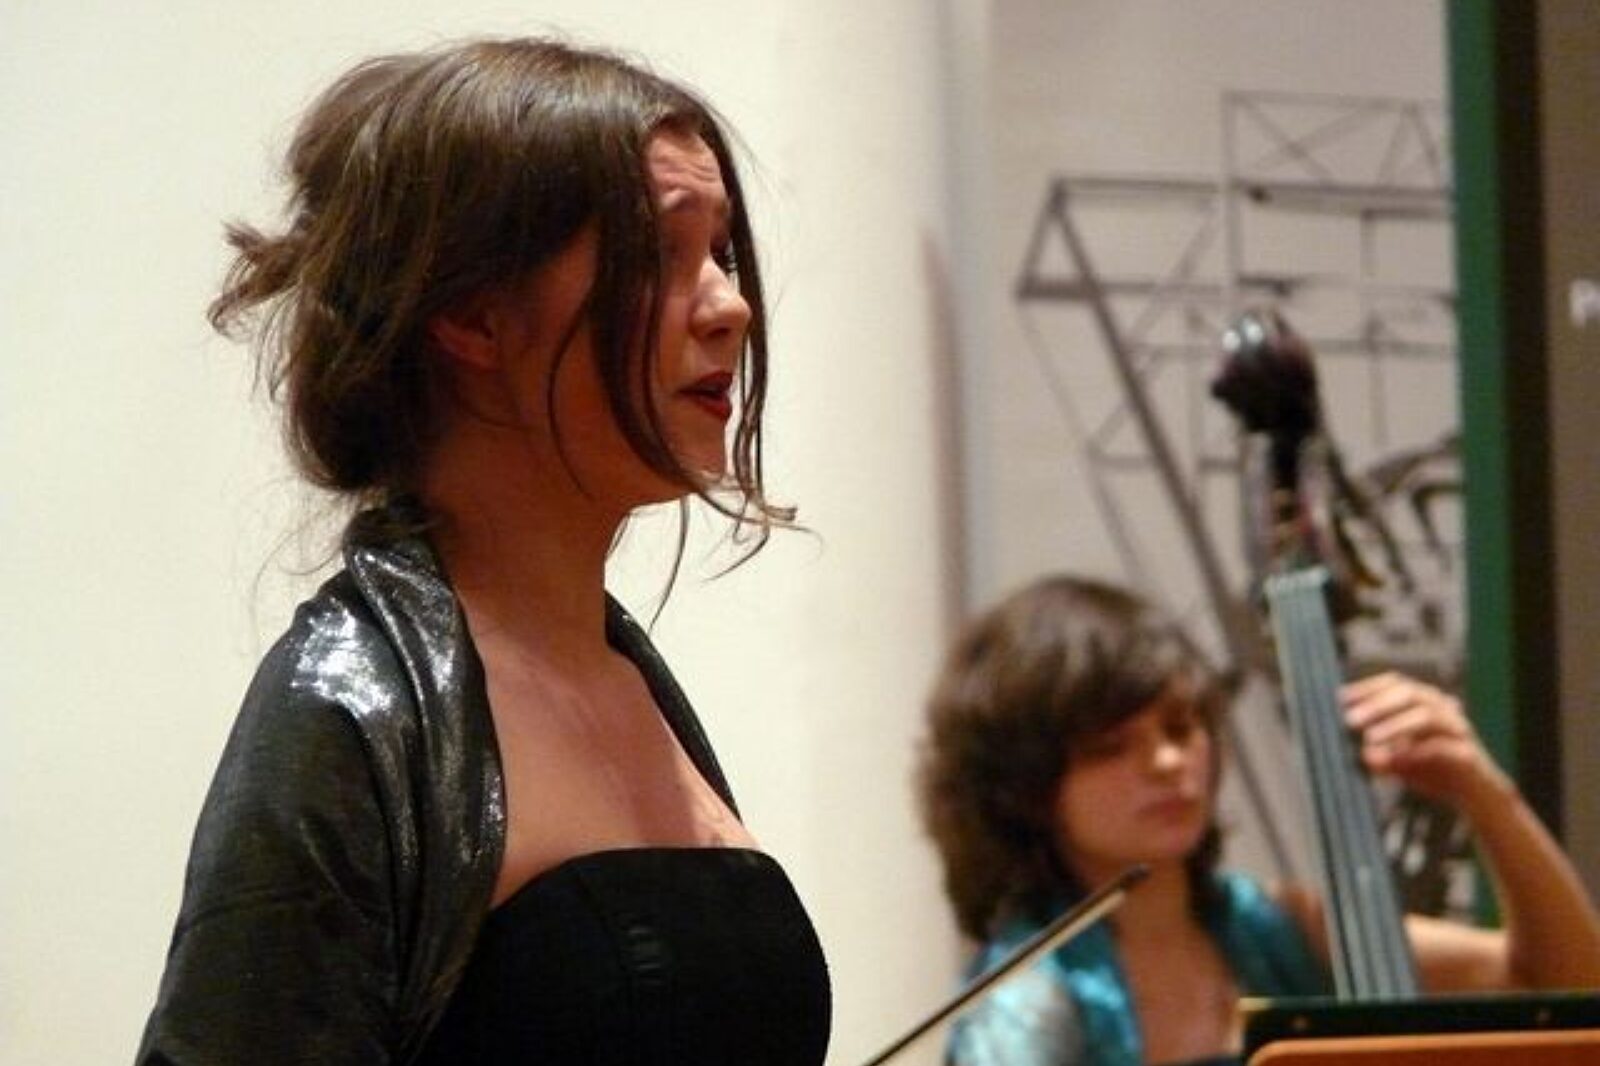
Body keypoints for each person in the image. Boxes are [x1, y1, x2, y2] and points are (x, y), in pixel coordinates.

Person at [136, 37, 831, 1066]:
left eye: (721, 254)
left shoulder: (627, 679)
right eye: (659, 253)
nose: (730, 306)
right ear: (473, 314)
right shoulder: (348, 705)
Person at [916, 574, 1600, 1066]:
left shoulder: (1274, 928)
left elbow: (1563, 983)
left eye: (1181, 726)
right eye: (1109, 746)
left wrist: (1485, 795)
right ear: (1026, 787)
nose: (1167, 761)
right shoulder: (1025, 1004)